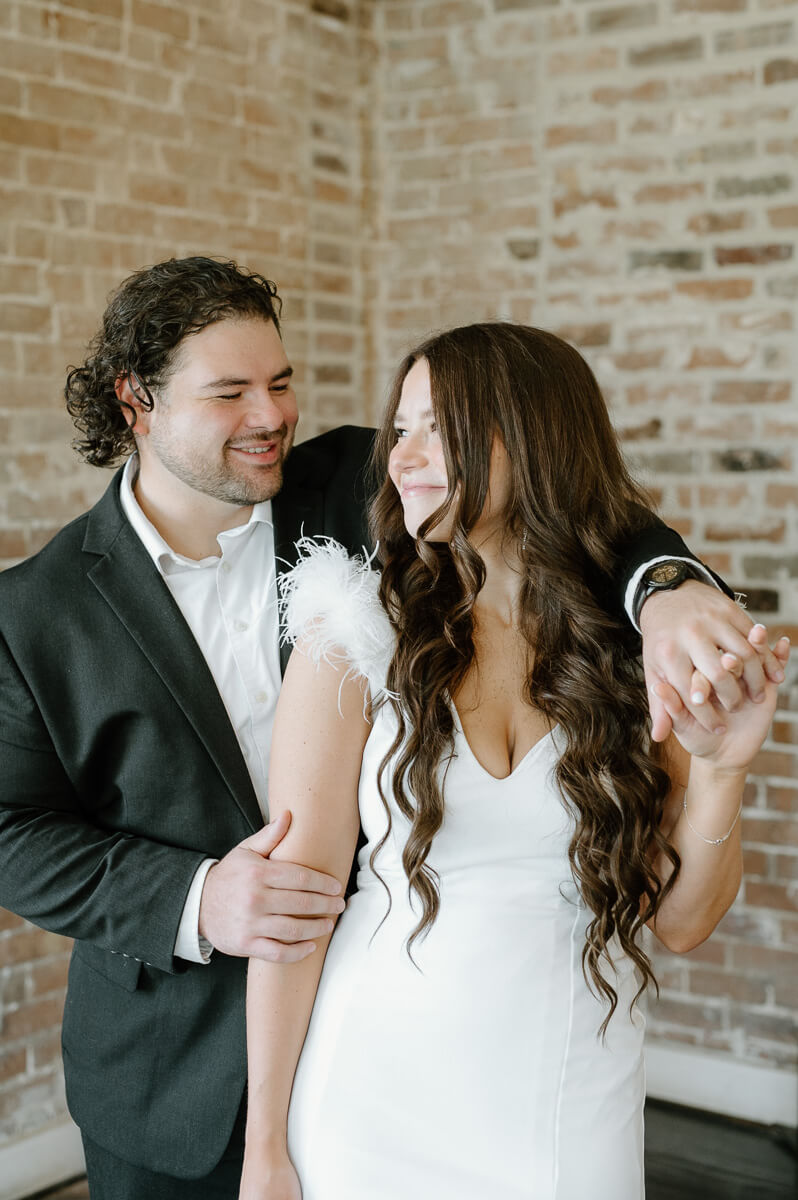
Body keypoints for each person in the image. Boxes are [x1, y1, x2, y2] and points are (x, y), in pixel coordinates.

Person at [0, 259, 783, 1200]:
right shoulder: (33, 613)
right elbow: (12, 832)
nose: (271, 415)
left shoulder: (349, 481)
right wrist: (196, 899)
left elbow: (565, 498)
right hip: (171, 1059)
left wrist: (665, 590)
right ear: (138, 403)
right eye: (230, 392)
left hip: (465, 1034)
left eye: (281, 382)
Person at [239, 323, 789, 1200]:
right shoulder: (350, 632)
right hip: (368, 1094)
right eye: (401, 429)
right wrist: (264, 1144)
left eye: (437, 429)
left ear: (531, 439)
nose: (402, 459)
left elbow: (680, 922)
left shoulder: (633, 651)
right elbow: (291, 909)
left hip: (567, 1093)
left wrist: (721, 769)